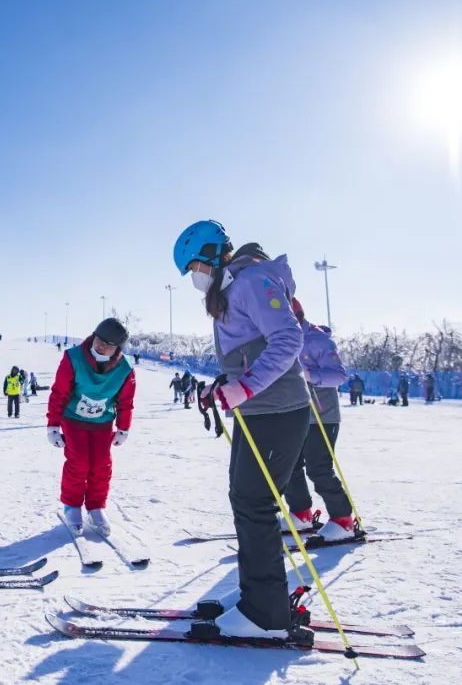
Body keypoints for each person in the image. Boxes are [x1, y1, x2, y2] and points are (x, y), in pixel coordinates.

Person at [174, 220, 311, 642]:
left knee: (255, 505)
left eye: (196, 265)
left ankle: (266, 615)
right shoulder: (233, 288)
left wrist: (246, 386)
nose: (195, 277)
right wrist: (226, 383)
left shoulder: (252, 280)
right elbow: (248, 351)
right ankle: (256, 596)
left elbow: (288, 340)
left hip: (277, 410)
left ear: (216, 255)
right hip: (258, 412)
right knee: (245, 500)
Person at [47, 318, 136, 536]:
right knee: (78, 462)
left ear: (117, 350)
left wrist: (123, 428)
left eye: (107, 344)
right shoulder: (73, 358)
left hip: (102, 424)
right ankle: (72, 505)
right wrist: (53, 425)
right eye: (98, 340)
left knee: (101, 465)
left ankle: (96, 506)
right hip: (73, 420)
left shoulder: (125, 369)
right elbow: (59, 392)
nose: (100, 346)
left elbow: (126, 402)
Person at [284, 298, 355, 541]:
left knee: (318, 468)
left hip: (322, 416)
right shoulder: (281, 339)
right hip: (295, 412)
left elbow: (338, 375)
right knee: (290, 466)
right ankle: (301, 513)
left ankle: (343, 519)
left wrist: (310, 374)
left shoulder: (317, 339)